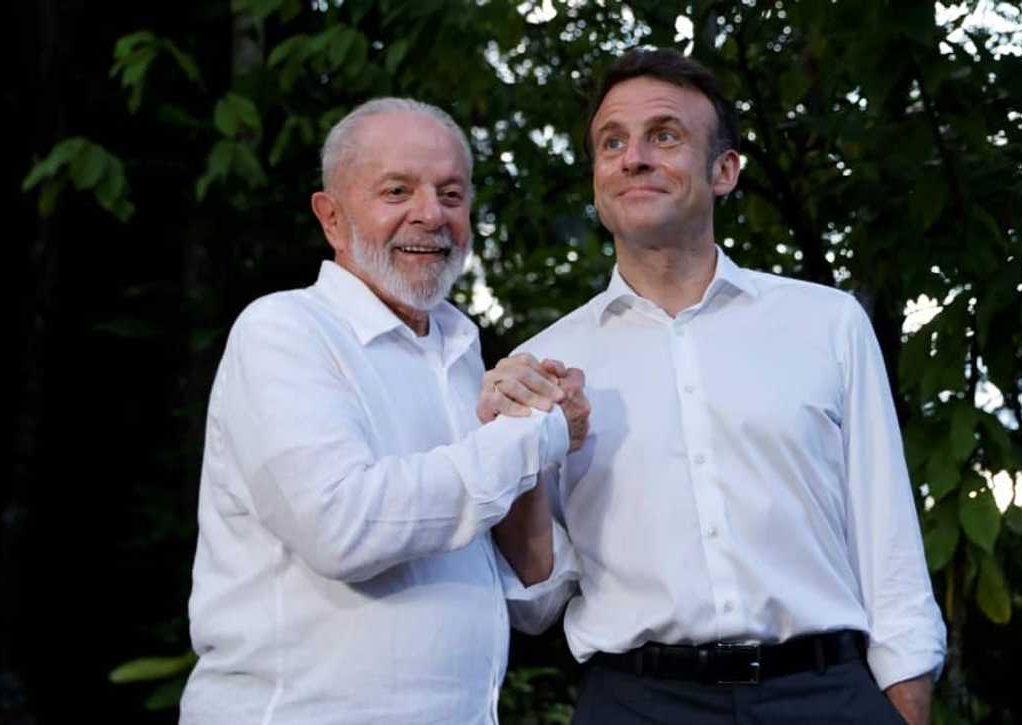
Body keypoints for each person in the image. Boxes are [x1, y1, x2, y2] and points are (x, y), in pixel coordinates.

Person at [479, 49, 946, 724]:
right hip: (635, 701)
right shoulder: (542, 363)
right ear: (596, 179)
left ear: (724, 170)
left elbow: (888, 539)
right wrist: (515, 454)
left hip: (825, 694)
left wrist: (906, 698)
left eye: (664, 135)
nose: (633, 157)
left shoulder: (827, 323)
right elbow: (535, 602)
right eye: (612, 142)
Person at [179, 97, 588, 725]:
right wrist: (535, 436)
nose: (431, 214)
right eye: (397, 190)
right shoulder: (284, 331)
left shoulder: (464, 354)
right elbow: (344, 529)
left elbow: (533, 602)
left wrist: (527, 430)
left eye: (452, 195)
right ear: (332, 218)